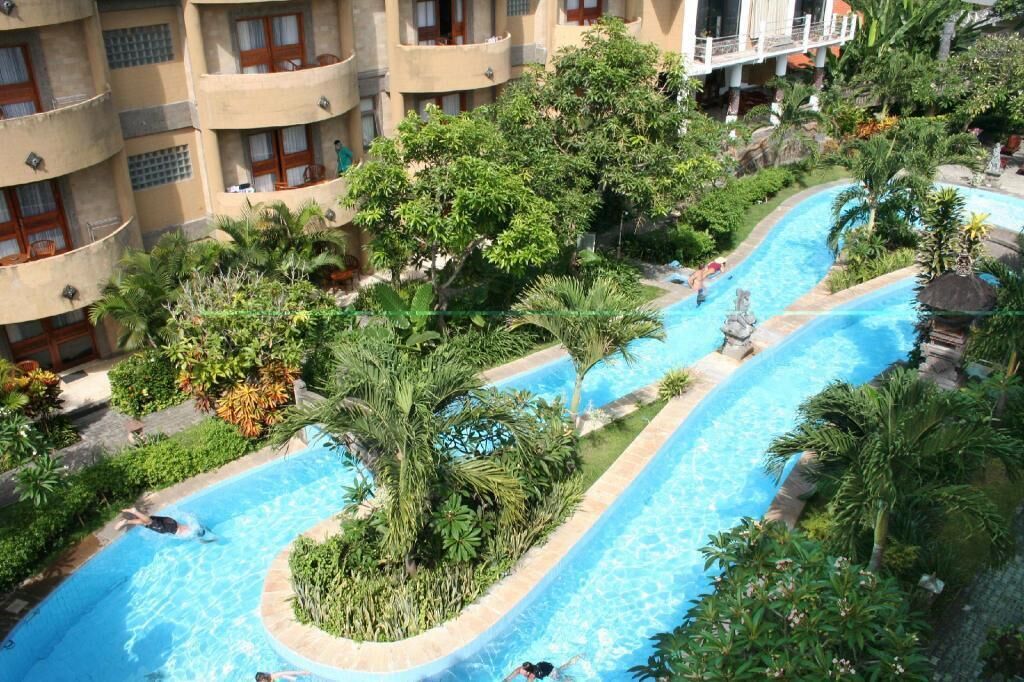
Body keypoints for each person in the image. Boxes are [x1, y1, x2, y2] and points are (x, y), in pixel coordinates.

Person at [115, 507, 214, 542]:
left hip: (170, 521)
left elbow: (202, 527)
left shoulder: (195, 526)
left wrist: (209, 533)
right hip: (171, 528)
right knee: (149, 522)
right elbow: (200, 539)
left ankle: (127, 522)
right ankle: (134, 511)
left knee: (146, 523)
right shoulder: (193, 534)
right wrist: (207, 540)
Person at [504, 655, 581, 680]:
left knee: (561, 678)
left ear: (528, 672)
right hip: (545, 665)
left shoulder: (532, 674)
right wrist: (506, 680)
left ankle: (571, 678)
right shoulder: (526, 668)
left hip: (551, 671)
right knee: (562, 669)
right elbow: (517, 671)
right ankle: (576, 658)